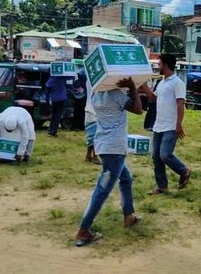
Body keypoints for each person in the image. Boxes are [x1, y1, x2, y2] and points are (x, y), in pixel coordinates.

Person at [74, 77, 143, 247]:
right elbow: (138, 109)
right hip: (115, 149)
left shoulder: (96, 95)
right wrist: (133, 87)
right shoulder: (115, 95)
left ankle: (129, 216)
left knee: (126, 179)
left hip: (103, 146)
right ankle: (83, 230)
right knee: (102, 190)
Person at [140, 54, 192, 195]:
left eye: (160, 64)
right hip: (158, 125)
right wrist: (143, 85)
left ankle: (184, 170)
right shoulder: (162, 83)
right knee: (156, 157)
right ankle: (162, 186)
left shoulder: (177, 83)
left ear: (167, 65)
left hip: (170, 126)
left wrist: (178, 124)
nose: (158, 66)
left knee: (165, 155)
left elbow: (180, 104)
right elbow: (152, 98)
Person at [83, 75, 101, 165]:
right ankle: (95, 156)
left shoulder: (90, 79)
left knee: (92, 135)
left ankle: (89, 155)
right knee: (95, 136)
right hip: (93, 109)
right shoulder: (95, 80)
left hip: (91, 109)